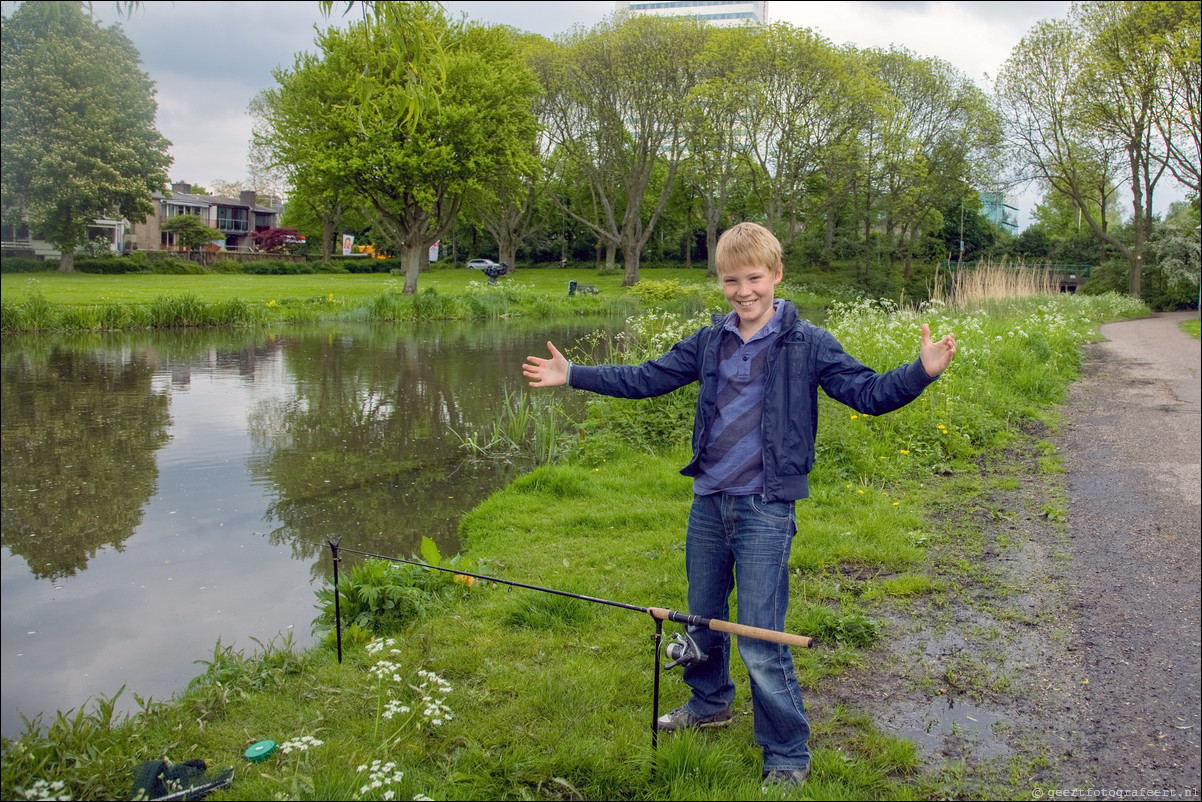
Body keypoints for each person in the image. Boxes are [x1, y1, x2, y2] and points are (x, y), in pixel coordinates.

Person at [522, 222, 956, 786]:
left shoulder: (809, 343)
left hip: (765, 509)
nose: (743, 290)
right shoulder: (711, 339)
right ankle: (709, 704)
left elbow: (868, 394)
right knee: (701, 618)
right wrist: (574, 373)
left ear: (776, 275)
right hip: (708, 503)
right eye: (731, 280)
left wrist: (920, 372)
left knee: (757, 636)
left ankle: (786, 754)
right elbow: (648, 377)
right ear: (720, 282)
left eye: (754, 277)